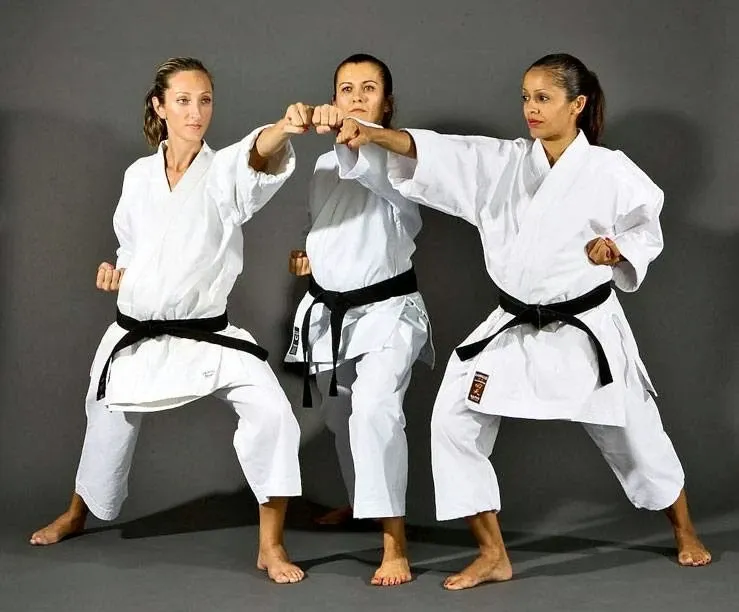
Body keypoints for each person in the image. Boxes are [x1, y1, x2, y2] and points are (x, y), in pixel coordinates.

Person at [330, 52, 712, 590]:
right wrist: (371, 134)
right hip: (513, 324)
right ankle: (492, 553)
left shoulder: (609, 170)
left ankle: (685, 530)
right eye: (526, 98)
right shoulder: (503, 163)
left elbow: (646, 227)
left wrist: (617, 250)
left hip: (584, 327)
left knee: (637, 435)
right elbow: (434, 152)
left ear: (577, 105)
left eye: (544, 98)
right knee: (452, 420)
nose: (531, 109)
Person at [29, 57, 307, 584]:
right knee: (104, 418)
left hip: (208, 334)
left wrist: (283, 128)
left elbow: (256, 157)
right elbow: (131, 246)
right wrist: (115, 271)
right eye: (183, 100)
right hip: (137, 332)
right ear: (159, 106)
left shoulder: (222, 172)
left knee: (274, 415)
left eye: (205, 100)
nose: (196, 112)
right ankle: (77, 512)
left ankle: (271, 546)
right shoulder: (138, 176)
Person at [282, 54, 433, 586]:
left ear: (386, 104)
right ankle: (362, 501)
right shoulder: (323, 166)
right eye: (346, 89)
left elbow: (375, 180)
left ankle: (395, 544)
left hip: (389, 313)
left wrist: (354, 137)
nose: (356, 97)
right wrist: (310, 257)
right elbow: (326, 227)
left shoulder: (399, 160)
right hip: (334, 313)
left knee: (374, 408)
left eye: (369, 89)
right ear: (334, 97)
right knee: (342, 413)